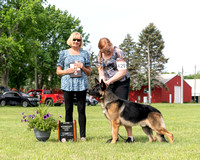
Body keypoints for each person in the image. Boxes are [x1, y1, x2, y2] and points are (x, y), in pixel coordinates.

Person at [97, 37, 134, 143]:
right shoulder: (99, 55)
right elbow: (101, 73)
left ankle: (130, 137)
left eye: (108, 50)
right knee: (111, 111)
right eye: (104, 51)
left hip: (121, 82)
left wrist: (109, 81)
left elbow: (122, 71)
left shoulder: (118, 52)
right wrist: (103, 82)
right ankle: (115, 137)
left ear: (110, 44)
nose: (107, 52)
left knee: (123, 110)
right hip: (109, 84)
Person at [56, 32, 91, 142]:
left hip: (81, 84)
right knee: (68, 110)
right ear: (71, 40)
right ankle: (67, 135)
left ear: (81, 42)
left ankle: (82, 136)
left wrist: (82, 67)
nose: (76, 42)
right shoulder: (63, 53)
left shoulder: (85, 53)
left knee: (81, 110)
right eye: (74, 39)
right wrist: (66, 71)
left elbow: (89, 72)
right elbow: (58, 71)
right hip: (67, 84)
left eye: (79, 40)